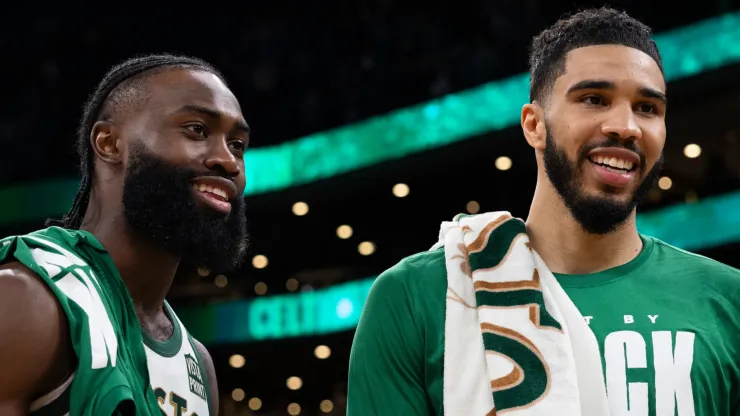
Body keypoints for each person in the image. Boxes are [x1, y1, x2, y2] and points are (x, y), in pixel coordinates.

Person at [348, 7, 740, 416]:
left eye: (647, 108)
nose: (625, 126)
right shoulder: (418, 297)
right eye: (594, 99)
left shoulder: (729, 301)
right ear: (534, 125)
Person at [0, 54, 250, 415]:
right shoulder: (26, 300)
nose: (228, 161)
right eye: (197, 129)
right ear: (109, 143)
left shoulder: (198, 364)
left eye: (238, 145)